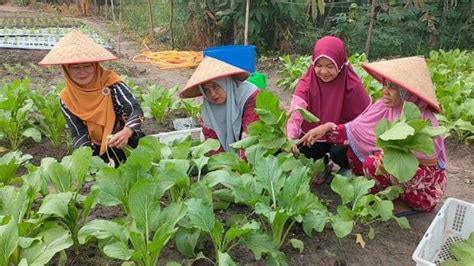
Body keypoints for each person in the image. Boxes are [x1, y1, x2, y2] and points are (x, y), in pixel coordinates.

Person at [300, 56, 447, 212]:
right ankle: (380, 196)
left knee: (373, 162)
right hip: (389, 168)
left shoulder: (425, 119)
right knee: (352, 149)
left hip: (422, 187)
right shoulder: (382, 107)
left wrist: (391, 158)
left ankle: (404, 202)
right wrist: (326, 128)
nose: (384, 91)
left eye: (393, 87)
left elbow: (428, 167)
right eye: (384, 84)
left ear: (407, 92)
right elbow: (354, 130)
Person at [39, 31, 145, 165]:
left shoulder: (112, 84)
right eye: (75, 68)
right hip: (97, 149)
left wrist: (127, 131)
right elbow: (78, 133)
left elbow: (135, 111)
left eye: (87, 66)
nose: (82, 72)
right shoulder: (66, 99)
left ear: (95, 66)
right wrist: (86, 159)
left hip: (126, 141)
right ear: (67, 70)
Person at [286, 36, 371, 183]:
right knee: (303, 148)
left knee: (339, 152)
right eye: (319, 65)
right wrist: (291, 138)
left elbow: (364, 124)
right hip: (314, 135)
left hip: (341, 137)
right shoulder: (307, 82)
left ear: (340, 64)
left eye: (330, 66)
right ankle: (323, 164)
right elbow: (296, 112)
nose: (323, 71)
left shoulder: (353, 86)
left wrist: (331, 129)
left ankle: (349, 168)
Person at [179, 57, 260, 158]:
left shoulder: (250, 95)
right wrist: (225, 165)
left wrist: (242, 165)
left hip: (257, 152)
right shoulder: (207, 112)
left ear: (225, 82)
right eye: (206, 90)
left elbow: (251, 133)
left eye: (215, 86)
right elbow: (212, 144)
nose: (212, 94)